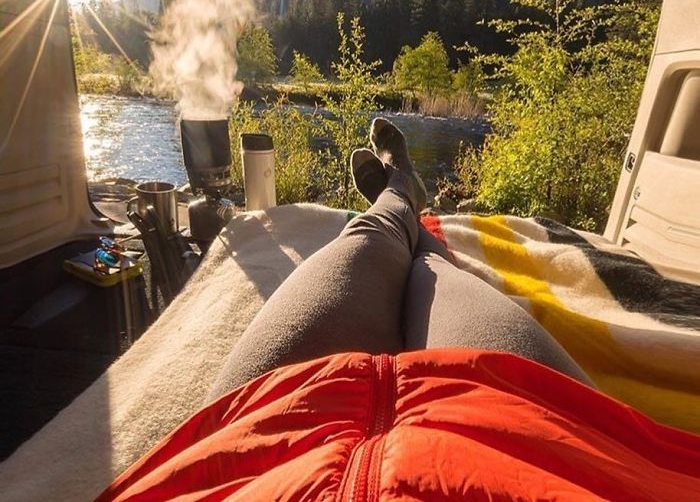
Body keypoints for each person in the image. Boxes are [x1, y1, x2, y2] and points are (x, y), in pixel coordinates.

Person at [99, 119, 700, 501]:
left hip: (257, 449)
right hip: (528, 443)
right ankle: (409, 201)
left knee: (368, 241)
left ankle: (397, 197)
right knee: (430, 266)